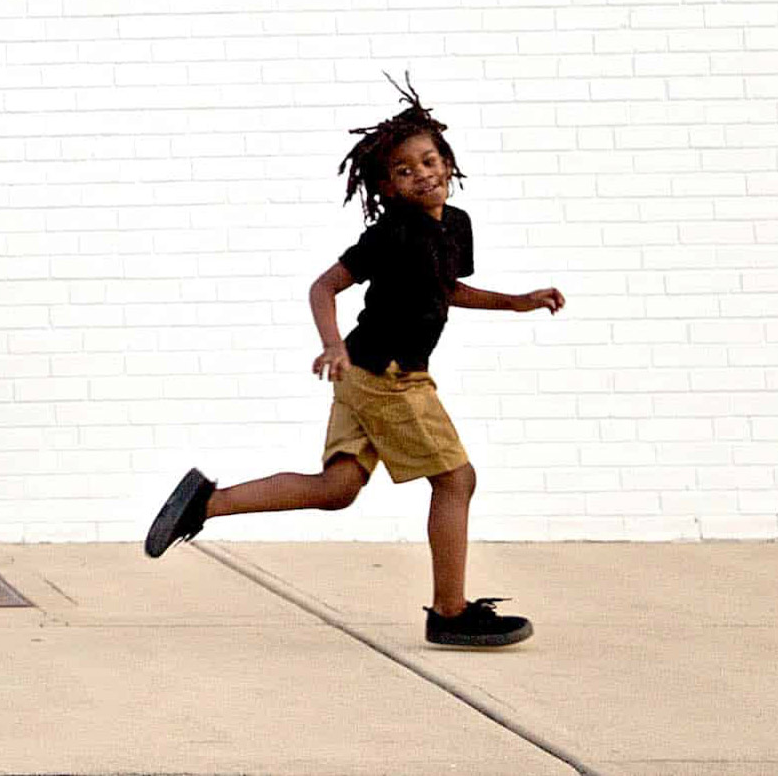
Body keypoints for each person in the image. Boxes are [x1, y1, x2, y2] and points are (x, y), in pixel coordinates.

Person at [145, 76, 563, 648]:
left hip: (369, 377)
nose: (422, 173)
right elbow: (324, 286)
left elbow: (447, 290)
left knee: (337, 487)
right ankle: (449, 611)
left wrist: (515, 302)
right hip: (387, 377)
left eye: (429, 160)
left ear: (448, 161)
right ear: (387, 187)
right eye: (404, 169)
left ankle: (206, 502)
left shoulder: (456, 224)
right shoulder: (390, 233)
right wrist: (331, 343)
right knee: (456, 479)